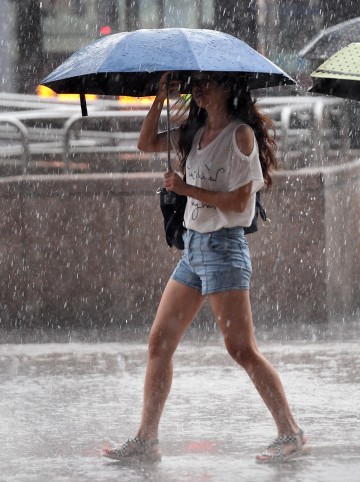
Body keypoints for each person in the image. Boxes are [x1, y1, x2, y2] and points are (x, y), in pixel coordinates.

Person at [102, 72, 306, 463]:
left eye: (208, 82)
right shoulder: (193, 134)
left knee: (242, 349)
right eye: (196, 82)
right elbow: (145, 143)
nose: (199, 87)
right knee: (159, 342)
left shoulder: (240, 136)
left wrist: (185, 189)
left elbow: (239, 202)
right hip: (194, 249)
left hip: (223, 247)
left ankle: (290, 430)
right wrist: (159, 100)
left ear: (229, 89)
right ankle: (147, 439)